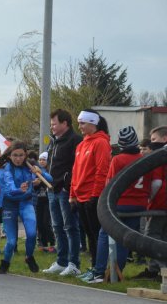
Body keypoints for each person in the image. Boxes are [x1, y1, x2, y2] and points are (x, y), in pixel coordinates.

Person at [79, 127, 150, 283]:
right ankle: (118, 271)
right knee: (125, 237)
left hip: (120, 204)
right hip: (139, 204)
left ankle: (99, 271)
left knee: (105, 234)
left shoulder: (117, 160)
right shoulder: (144, 158)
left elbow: (109, 184)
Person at [0, 141, 51, 274]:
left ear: (25, 155)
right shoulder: (6, 169)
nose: (18, 159)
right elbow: (9, 189)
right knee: (12, 241)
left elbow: (50, 179)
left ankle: (29, 257)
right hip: (10, 205)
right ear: (9, 156)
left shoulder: (31, 165)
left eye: (21, 155)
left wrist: (39, 173)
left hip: (26, 203)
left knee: (32, 234)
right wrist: (20, 190)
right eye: (15, 155)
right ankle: (6, 262)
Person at [69, 109, 111, 274]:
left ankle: (100, 267)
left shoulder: (101, 143)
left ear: (93, 123)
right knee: (89, 234)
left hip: (92, 196)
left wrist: (95, 194)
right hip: (80, 196)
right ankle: (94, 265)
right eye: (79, 123)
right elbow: (75, 170)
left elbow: (102, 170)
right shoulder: (81, 144)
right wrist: (72, 195)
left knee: (96, 233)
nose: (79, 126)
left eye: (82, 123)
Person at [42, 109, 84, 277]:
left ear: (65, 123)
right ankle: (61, 261)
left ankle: (74, 263)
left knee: (70, 227)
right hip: (51, 189)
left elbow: (77, 167)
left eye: (54, 123)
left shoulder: (75, 140)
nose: (51, 127)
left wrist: (68, 185)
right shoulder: (53, 141)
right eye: (51, 124)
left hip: (65, 191)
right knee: (57, 226)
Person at [133, 140, 167, 280]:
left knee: (150, 235)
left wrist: (149, 200)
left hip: (160, 201)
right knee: (163, 235)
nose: (152, 142)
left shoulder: (159, 157)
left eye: (153, 139)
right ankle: (154, 269)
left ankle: (162, 268)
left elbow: (157, 182)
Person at [34, 151, 55, 252]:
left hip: (48, 199)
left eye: (44, 160)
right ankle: (43, 243)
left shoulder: (48, 171)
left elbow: (51, 180)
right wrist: (35, 184)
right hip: (39, 199)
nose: (42, 161)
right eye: (40, 159)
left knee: (47, 222)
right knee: (40, 222)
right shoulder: (36, 170)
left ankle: (52, 243)